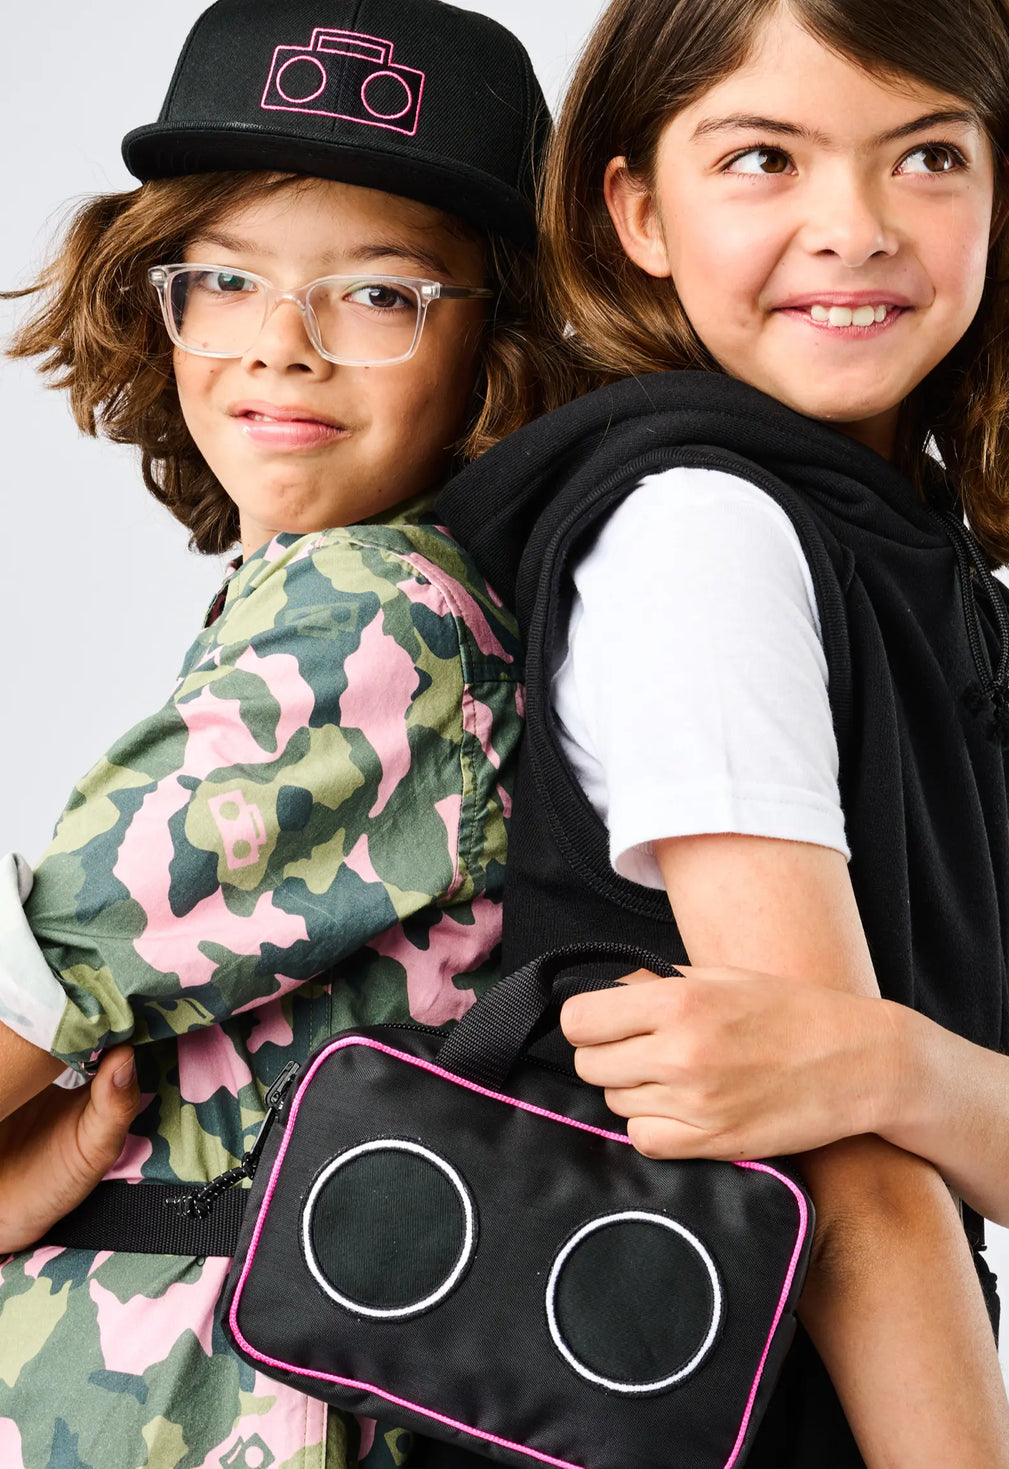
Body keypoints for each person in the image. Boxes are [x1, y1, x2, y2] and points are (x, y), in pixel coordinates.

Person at [437, 0, 1009, 1463]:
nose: (853, 226)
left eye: (926, 156)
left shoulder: (964, 602)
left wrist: (887, 1060)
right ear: (637, 211)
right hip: (701, 1399)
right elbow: (851, 1187)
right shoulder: (705, 534)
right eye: (761, 158)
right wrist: (889, 1086)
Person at [0, 1, 552, 1464]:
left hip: (212, 1414)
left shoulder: (379, 621)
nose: (282, 348)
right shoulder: (299, 600)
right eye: (227, 278)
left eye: (378, 294)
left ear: (498, 337)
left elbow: (50, 959)